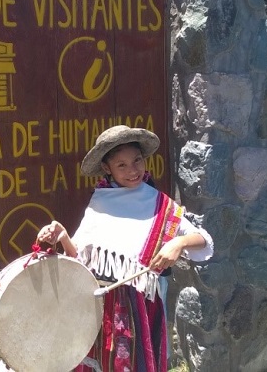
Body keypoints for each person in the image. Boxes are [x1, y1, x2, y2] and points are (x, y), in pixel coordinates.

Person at [37, 125, 214, 372]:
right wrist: (63, 235)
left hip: (138, 307)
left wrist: (178, 242)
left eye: (137, 161)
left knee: (134, 362)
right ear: (107, 168)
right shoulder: (100, 202)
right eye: (122, 165)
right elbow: (79, 258)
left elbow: (203, 240)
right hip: (97, 304)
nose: (133, 170)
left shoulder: (159, 204)